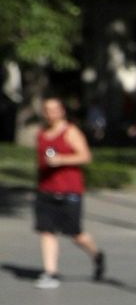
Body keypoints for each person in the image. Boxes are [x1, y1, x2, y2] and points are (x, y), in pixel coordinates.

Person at [33, 96, 103, 287]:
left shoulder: (70, 132)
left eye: (54, 109)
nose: (51, 113)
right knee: (46, 231)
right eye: (47, 109)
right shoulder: (40, 133)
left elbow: (85, 156)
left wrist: (61, 160)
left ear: (62, 111)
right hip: (45, 190)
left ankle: (96, 254)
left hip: (69, 191)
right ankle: (51, 273)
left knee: (75, 234)